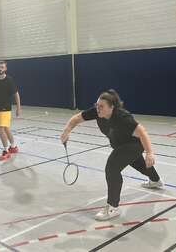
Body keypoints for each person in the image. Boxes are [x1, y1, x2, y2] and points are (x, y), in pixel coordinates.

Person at [61, 89, 163, 221]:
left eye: (101, 106)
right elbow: (77, 118)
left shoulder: (122, 117)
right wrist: (66, 131)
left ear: (112, 107)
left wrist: (150, 152)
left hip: (133, 145)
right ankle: (155, 180)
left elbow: (142, 131)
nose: (98, 108)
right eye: (97, 105)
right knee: (138, 163)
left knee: (112, 168)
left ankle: (113, 207)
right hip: (120, 145)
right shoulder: (96, 112)